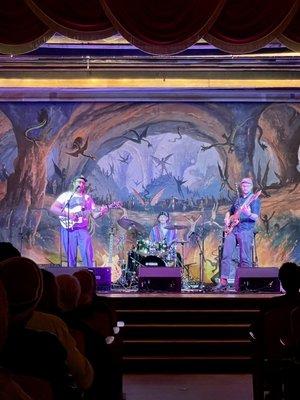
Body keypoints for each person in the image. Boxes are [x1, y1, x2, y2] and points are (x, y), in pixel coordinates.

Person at [50, 175, 108, 268]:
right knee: (71, 256)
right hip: (68, 229)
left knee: (87, 253)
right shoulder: (66, 196)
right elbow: (53, 208)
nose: (81, 184)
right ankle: (71, 277)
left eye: (83, 183)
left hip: (82, 229)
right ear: (74, 183)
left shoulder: (87, 198)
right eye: (79, 182)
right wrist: (68, 214)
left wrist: (102, 212)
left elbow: (93, 214)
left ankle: (89, 274)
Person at [216, 177, 261, 290]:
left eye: (247, 185)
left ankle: (245, 282)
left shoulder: (254, 199)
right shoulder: (238, 200)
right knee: (226, 255)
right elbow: (230, 212)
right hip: (233, 230)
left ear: (251, 186)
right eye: (243, 185)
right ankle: (223, 281)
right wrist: (227, 218)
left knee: (244, 258)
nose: (245, 187)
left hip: (245, 230)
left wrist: (248, 213)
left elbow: (255, 217)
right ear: (241, 186)